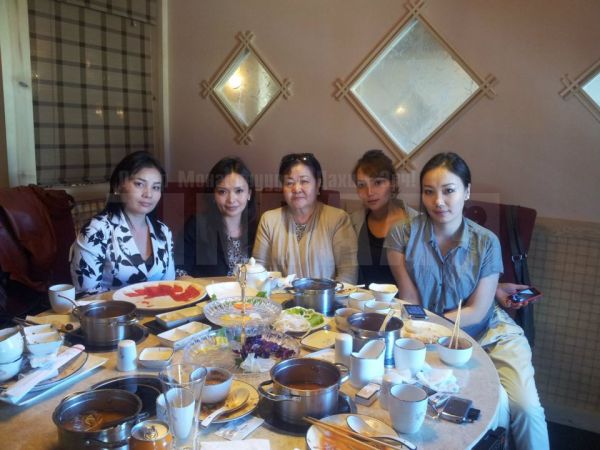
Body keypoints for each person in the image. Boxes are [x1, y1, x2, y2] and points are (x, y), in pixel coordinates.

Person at [385, 152, 548, 450]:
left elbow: (477, 310)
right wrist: (427, 335)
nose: (438, 201)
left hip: (490, 334)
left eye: (449, 190)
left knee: (527, 408)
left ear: (467, 191)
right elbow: (411, 300)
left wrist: (431, 328)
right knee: (493, 411)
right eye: (429, 192)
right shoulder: (401, 235)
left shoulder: (486, 242)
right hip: (434, 342)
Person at [71, 151, 175, 295]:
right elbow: (85, 295)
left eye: (156, 187)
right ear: (117, 186)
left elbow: (169, 286)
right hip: (110, 310)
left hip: (160, 309)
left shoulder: (163, 232)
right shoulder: (96, 231)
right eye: (139, 184)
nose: (148, 194)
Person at [253, 153, 358, 283]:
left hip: (327, 296)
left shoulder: (338, 219)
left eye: (304, 181)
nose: (296, 189)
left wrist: (327, 295)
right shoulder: (269, 220)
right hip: (277, 296)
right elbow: (257, 272)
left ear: (318, 184)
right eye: (289, 183)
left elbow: (348, 274)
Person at [350, 149, 418, 285]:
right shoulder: (353, 222)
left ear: (392, 184)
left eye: (378, 183)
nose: (369, 192)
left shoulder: (417, 223)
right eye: (362, 185)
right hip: (363, 297)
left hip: (405, 297)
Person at [181, 156, 257, 277]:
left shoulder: (259, 229)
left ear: (249, 194)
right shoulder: (196, 226)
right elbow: (180, 272)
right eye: (222, 192)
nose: (231, 200)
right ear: (213, 195)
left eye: (239, 191)